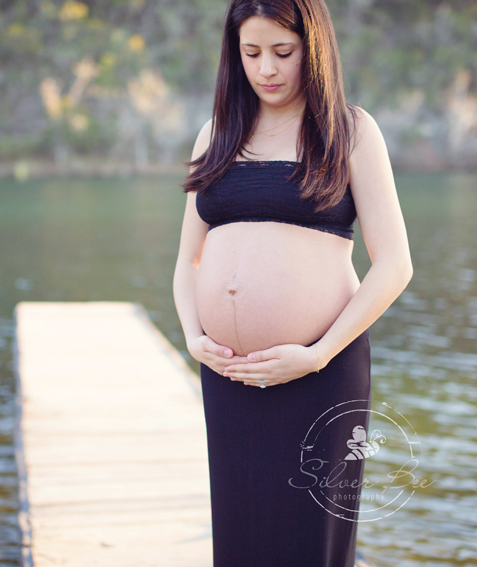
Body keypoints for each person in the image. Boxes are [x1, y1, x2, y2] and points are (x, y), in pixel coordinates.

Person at [172, 0, 412, 565]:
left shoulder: (350, 131)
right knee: (241, 534)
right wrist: (193, 337)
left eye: (283, 53)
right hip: (227, 371)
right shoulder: (217, 134)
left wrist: (318, 354)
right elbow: (188, 261)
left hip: (319, 372)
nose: (267, 70)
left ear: (314, 49)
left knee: (310, 542)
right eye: (251, 53)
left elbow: (395, 263)